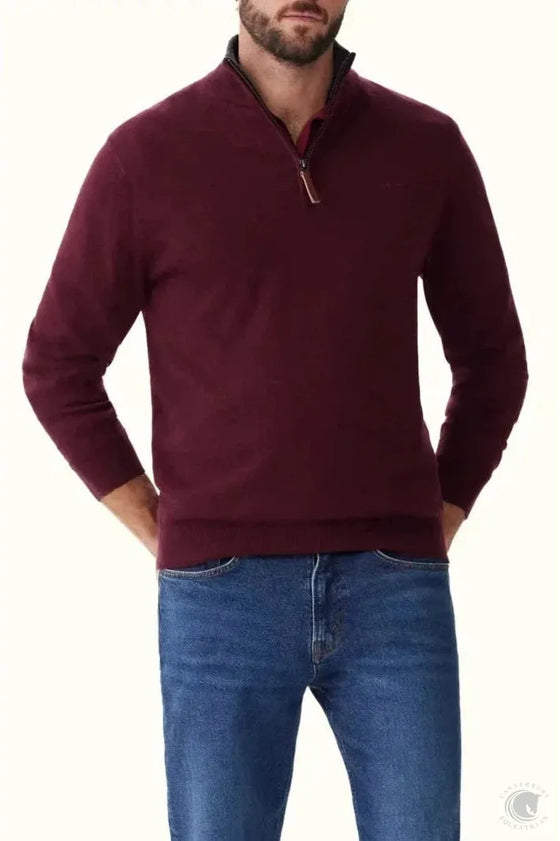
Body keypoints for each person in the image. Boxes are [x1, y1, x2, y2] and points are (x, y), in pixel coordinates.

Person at [21, 1, 529, 839]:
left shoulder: (426, 145)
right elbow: (57, 364)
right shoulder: (146, 155)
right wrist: (158, 522)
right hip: (221, 593)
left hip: (393, 587)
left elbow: (495, 359)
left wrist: (440, 513)